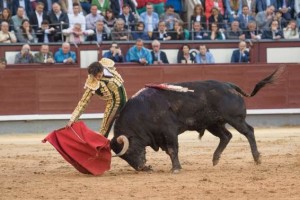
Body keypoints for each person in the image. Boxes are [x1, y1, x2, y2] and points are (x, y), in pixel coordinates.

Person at [67, 58, 128, 137]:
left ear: (102, 70)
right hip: (114, 103)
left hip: (125, 100)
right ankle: (101, 147)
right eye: (95, 77)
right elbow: (83, 102)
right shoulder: (92, 81)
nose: (98, 78)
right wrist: (72, 120)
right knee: (104, 128)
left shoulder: (107, 66)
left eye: (99, 75)